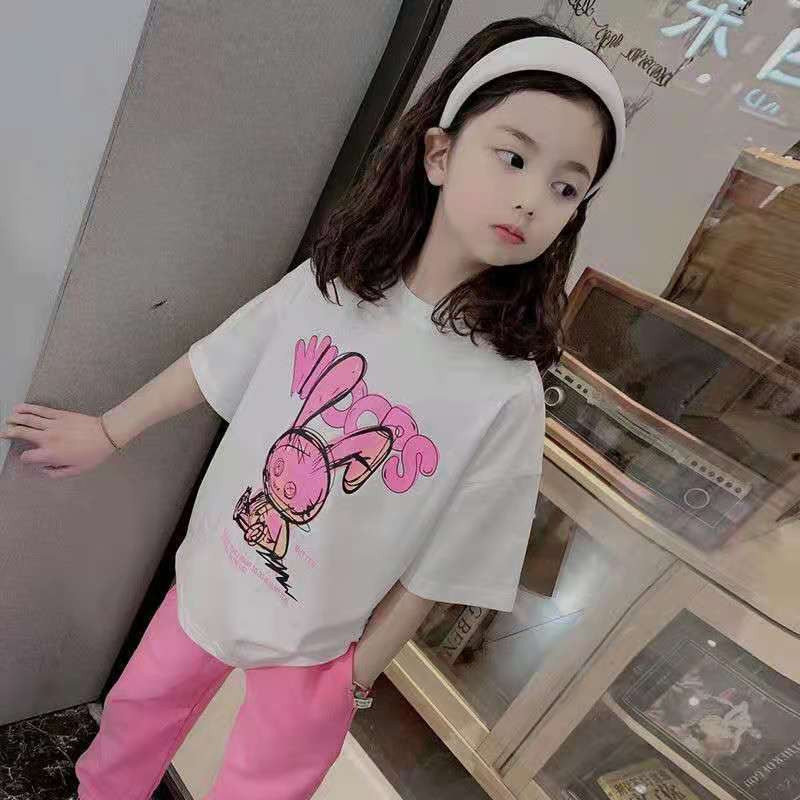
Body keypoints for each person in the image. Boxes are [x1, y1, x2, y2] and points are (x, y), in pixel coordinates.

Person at [0, 15, 625, 800]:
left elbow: (451, 559)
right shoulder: (338, 283)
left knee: (263, 787)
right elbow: (223, 357)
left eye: (566, 186)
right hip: (216, 575)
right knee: (133, 723)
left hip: (320, 646)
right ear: (439, 153)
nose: (532, 199)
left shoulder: (506, 390)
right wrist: (109, 431)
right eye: (514, 157)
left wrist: (355, 679)